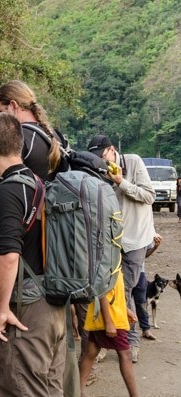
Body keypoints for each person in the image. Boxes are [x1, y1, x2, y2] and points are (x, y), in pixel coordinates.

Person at [0, 113, 66, 396]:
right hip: (51, 301)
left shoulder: (8, 189)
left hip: (26, 306)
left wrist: (2, 309)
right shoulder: (38, 182)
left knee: (21, 386)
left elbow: (8, 254)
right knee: (49, 387)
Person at [88, 134, 156, 363]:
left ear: (112, 150)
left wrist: (121, 182)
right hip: (111, 240)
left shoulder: (134, 162)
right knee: (106, 287)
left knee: (123, 289)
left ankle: (128, 342)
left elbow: (149, 196)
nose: (100, 160)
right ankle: (111, 340)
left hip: (135, 239)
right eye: (96, 157)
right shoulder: (99, 171)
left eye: (102, 155)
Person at [78, 269, 139, 397]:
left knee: (91, 351)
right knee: (125, 355)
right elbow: (101, 290)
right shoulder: (109, 252)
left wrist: (126, 310)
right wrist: (109, 322)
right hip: (110, 316)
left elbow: (113, 290)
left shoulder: (114, 253)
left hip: (108, 313)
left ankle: (79, 390)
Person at [0, 79, 66, 182]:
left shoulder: (17, 137)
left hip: (28, 198)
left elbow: (7, 187)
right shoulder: (54, 134)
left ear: (13, 105)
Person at [132, 233, 162, 341]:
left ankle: (145, 329)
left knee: (141, 301)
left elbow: (146, 254)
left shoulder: (143, 231)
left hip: (140, 271)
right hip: (122, 271)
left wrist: (155, 247)